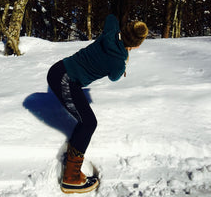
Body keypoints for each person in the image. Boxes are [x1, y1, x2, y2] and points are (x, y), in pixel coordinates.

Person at [47, 14, 149, 194]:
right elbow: (114, 77)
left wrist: (121, 30)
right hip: (64, 79)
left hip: (60, 69)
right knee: (89, 123)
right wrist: (125, 60)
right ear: (138, 44)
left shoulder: (110, 32)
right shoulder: (118, 62)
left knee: (85, 120)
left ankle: (74, 150)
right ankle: (71, 178)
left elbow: (111, 17)